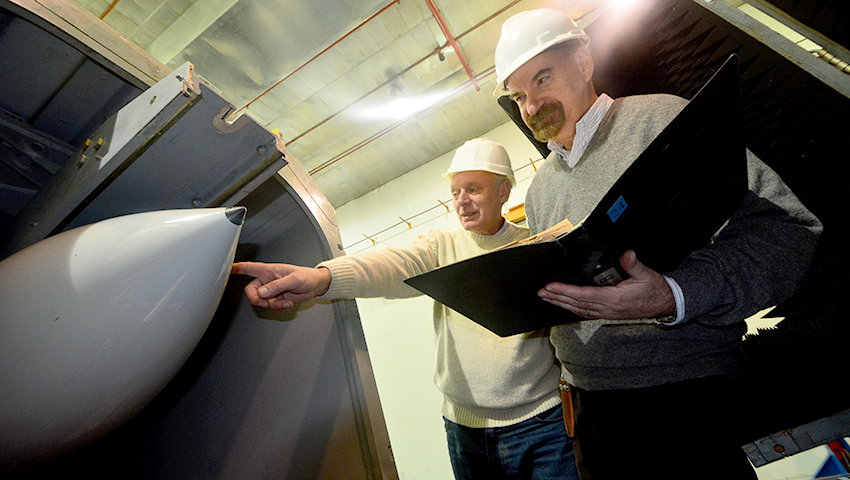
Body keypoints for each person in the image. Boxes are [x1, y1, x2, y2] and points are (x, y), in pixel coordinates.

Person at [492, 8, 822, 480]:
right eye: (520, 94)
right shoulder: (540, 189)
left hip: (682, 402)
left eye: (543, 79)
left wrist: (673, 293)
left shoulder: (662, 119)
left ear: (583, 63)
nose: (531, 104)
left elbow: (785, 231)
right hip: (589, 414)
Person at [232, 138, 579, 480]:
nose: (462, 202)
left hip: (543, 425)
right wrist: (322, 277)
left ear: (503, 192)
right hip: (465, 431)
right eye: (455, 192)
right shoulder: (441, 247)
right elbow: (392, 266)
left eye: (473, 189)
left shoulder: (535, 247)